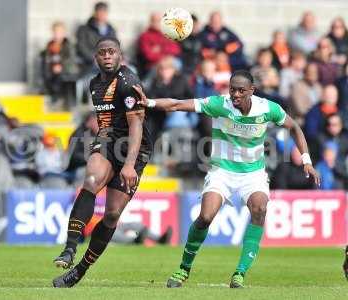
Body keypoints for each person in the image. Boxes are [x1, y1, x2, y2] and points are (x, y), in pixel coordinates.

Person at [133, 70, 320, 288]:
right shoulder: (218, 104)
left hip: (252, 174)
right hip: (221, 172)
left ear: (252, 91)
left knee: (259, 209)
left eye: (241, 90)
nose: (235, 94)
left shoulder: (267, 108)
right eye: (232, 89)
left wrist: (306, 160)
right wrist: (150, 102)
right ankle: (184, 268)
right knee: (205, 216)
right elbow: (176, 104)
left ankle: (239, 273)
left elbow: (295, 127)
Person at [52, 37, 153, 288]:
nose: (107, 56)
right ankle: (69, 248)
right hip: (108, 140)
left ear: (120, 55)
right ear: (95, 58)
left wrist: (129, 164)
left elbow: (136, 126)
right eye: (102, 53)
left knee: (111, 215)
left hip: (133, 148)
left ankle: (80, 270)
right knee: (91, 180)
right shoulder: (94, 83)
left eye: (112, 52)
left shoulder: (128, 82)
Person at [41, 21, 79, 107]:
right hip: (52, 72)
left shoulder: (68, 46)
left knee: (59, 78)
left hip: (66, 72)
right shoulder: (49, 46)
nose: (56, 34)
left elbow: (71, 61)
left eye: (59, 32)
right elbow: (47, 61)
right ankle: (51, 96)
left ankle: (57, 99)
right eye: (55, 32)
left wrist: (61, 67)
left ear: (63, 33)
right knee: (47, 75)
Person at [75, 2, 117, 76]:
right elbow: (81, 47)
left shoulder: (111, 30)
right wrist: (95, 58)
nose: (102, 15)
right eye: (100, 11)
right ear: (95, 13)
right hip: (91, 63)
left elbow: (116, 46)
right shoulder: (84, 29)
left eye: (104, 12)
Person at [137, 12, 181, 78]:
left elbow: (176, 49)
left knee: (178, 63)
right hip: (153, 65)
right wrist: (163, 58)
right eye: (156, 21)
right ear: (151, 22)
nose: (159, 23)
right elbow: (148, 55)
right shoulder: (145, 36)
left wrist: (161, 49)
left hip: (169, 61)